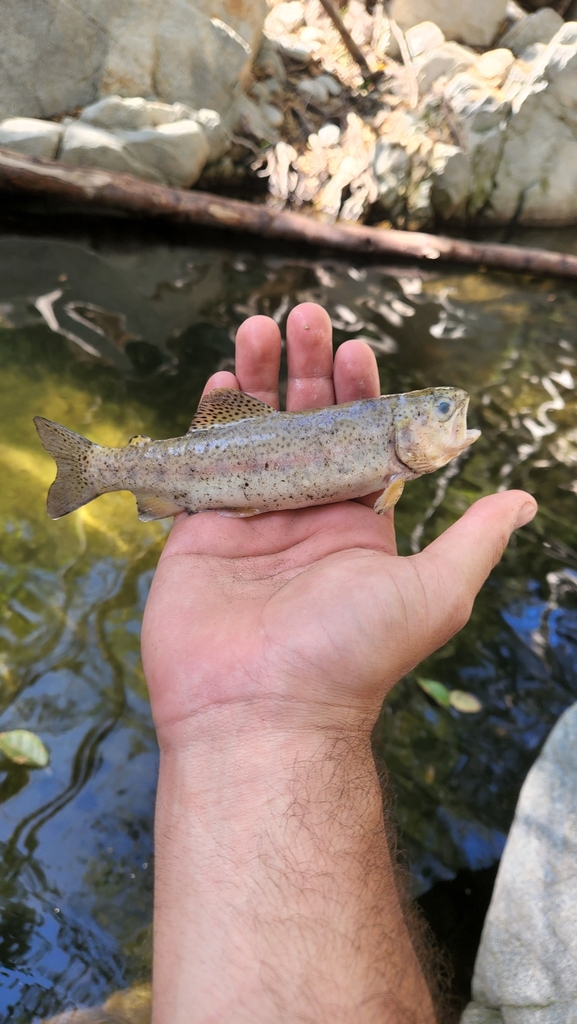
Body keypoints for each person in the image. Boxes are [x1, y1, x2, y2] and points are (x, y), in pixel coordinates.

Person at [141, 302, 537, 1024]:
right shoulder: (383, 456)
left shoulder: (390, 468)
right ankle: (104, 468)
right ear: (404, 428)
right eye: (440, 411)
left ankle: (108, 467)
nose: (451, 415)